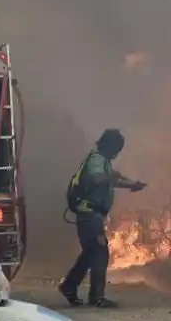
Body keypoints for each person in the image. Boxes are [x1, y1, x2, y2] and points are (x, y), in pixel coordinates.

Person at [59, 128, 146, 308]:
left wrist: (132, 185)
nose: (117, 153)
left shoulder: (103, 161)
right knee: (99, 251)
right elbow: (97, 179)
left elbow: (111, 180)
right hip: (89, 213)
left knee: (91, 252)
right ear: (110, 146)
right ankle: (96, 297)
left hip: (93, 214)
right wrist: (112, 175)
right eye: (117, 148)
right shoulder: (97, 159)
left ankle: (69, 285)